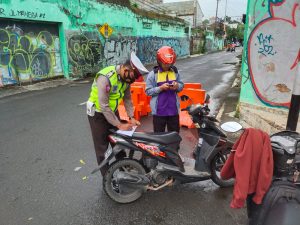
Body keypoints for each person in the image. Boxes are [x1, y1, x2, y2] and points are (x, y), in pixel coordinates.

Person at [87, 52, 149, 176]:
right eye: (133, 75)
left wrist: (131, 117)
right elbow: (104, 106)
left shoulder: (126, 79)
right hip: (98, 114)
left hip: (112, 112)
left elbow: (127, 99)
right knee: (102, 149)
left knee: (119, 142)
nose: (133, 80)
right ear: (126, 69)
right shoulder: (105, 78)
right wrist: (119, 125)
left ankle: (124, 169)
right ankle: (107, 178)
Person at [145, 46, 184, 133]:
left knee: (174, 136)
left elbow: (181, 85)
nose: (167, 66)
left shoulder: (175, 72)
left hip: (173, 111)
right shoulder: (153, 74)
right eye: (165, 64)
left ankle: (174, 147)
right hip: (159, 113)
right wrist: (160, 88)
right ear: (159, 61)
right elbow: (148, 92)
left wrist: (177, 86)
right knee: (159, 137)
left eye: (170, 64)